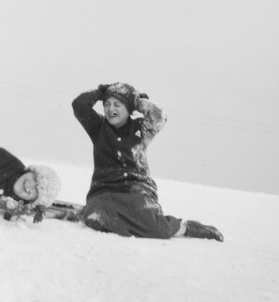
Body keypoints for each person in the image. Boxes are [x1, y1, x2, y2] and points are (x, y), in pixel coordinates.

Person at [71, 82, 223, 241]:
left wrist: (138, 101)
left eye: (117, 104)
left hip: (137, 190)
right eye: (107, 104)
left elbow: (159, 117)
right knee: (95, 217)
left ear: (128, 108)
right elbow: (79, 105)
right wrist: (99, 93)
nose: (110, 109)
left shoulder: (140, 129)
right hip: (105, 191)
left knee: (155, 227)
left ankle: (186, 228)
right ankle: (123, 217)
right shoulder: (98, 127)